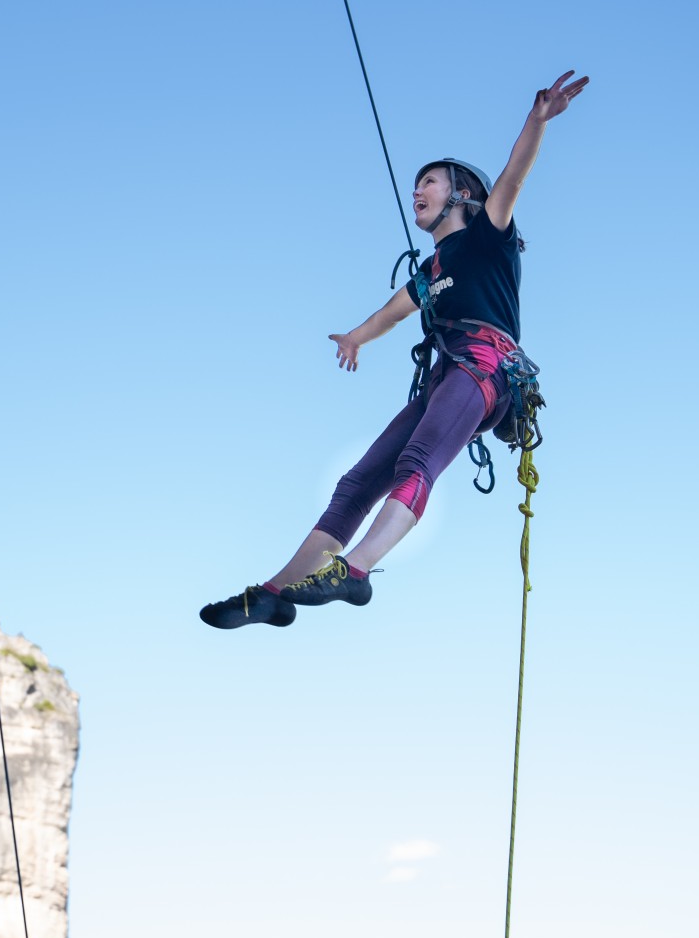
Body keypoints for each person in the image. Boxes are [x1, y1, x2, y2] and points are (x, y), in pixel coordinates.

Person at [200, 71, 589, 629]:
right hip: (448, 374)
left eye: (429, 182)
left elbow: (511, 180)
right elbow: (392, 312)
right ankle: (274, 592)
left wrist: (536, 121)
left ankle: (355, 572)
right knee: (356, 482)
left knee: (417, 460)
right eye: (416, 184)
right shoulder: (431, 271)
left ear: (462, 194)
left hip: (486, 366)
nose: (418, 191)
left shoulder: (488, 238)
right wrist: (357, 338)